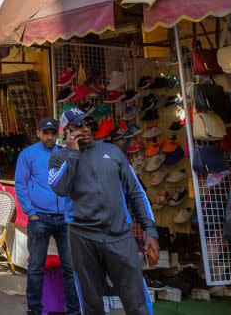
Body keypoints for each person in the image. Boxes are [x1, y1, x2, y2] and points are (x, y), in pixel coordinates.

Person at [48, 107, 158, 315]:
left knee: (137, 303)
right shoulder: (58, 158)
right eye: (79, 125)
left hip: (119, 237)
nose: (86, 128)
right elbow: (59, 188)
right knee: (92, 305)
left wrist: (149, 230)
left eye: (88, 123)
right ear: (67, 130)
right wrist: (72, 153)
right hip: (82, 238)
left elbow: (136, 192)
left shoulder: (113, 151)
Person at [15, 118, 79, 315]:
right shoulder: (28, 154)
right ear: (38, 133)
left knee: (70, 267)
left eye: (53, 133)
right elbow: (21, 184)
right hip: (40, 218)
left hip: (65, 219)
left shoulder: (65, 152)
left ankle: (74, 310)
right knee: (36, 267)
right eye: (46, 133)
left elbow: (75, 179)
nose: (50, 137)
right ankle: (34, 309)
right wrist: (30, 212)